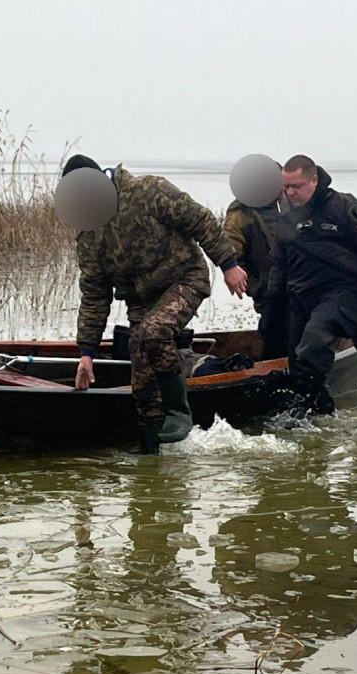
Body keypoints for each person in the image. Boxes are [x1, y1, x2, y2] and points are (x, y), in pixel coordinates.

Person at [63, 154, 246, 453]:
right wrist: (86, 353)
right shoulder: (89, 235)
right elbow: (95, 295)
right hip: (141, 301)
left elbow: (199, 219)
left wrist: (228, 265)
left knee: (154, 331)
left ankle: (179, 411)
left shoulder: (149, 191)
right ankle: (151, 456)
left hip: (184, 280)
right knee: (143, 385)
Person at [264, 155, 357, 415]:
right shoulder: (284, 220)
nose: (290, 193)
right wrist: (271, 306)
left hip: (342, 292)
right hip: (301, 296)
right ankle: (317, 411)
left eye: (297, 186)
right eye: (286, 187)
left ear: (314, 180)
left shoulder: (343, 207)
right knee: (297, 363)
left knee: (311, 347)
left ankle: (323, 408)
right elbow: (278, 267)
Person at [221, 183, 288, 359]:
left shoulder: (294, 205)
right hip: (269, 295)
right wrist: (257, 287)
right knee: (274, 340)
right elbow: (231, 256)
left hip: (303, 290)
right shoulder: (240, 215)